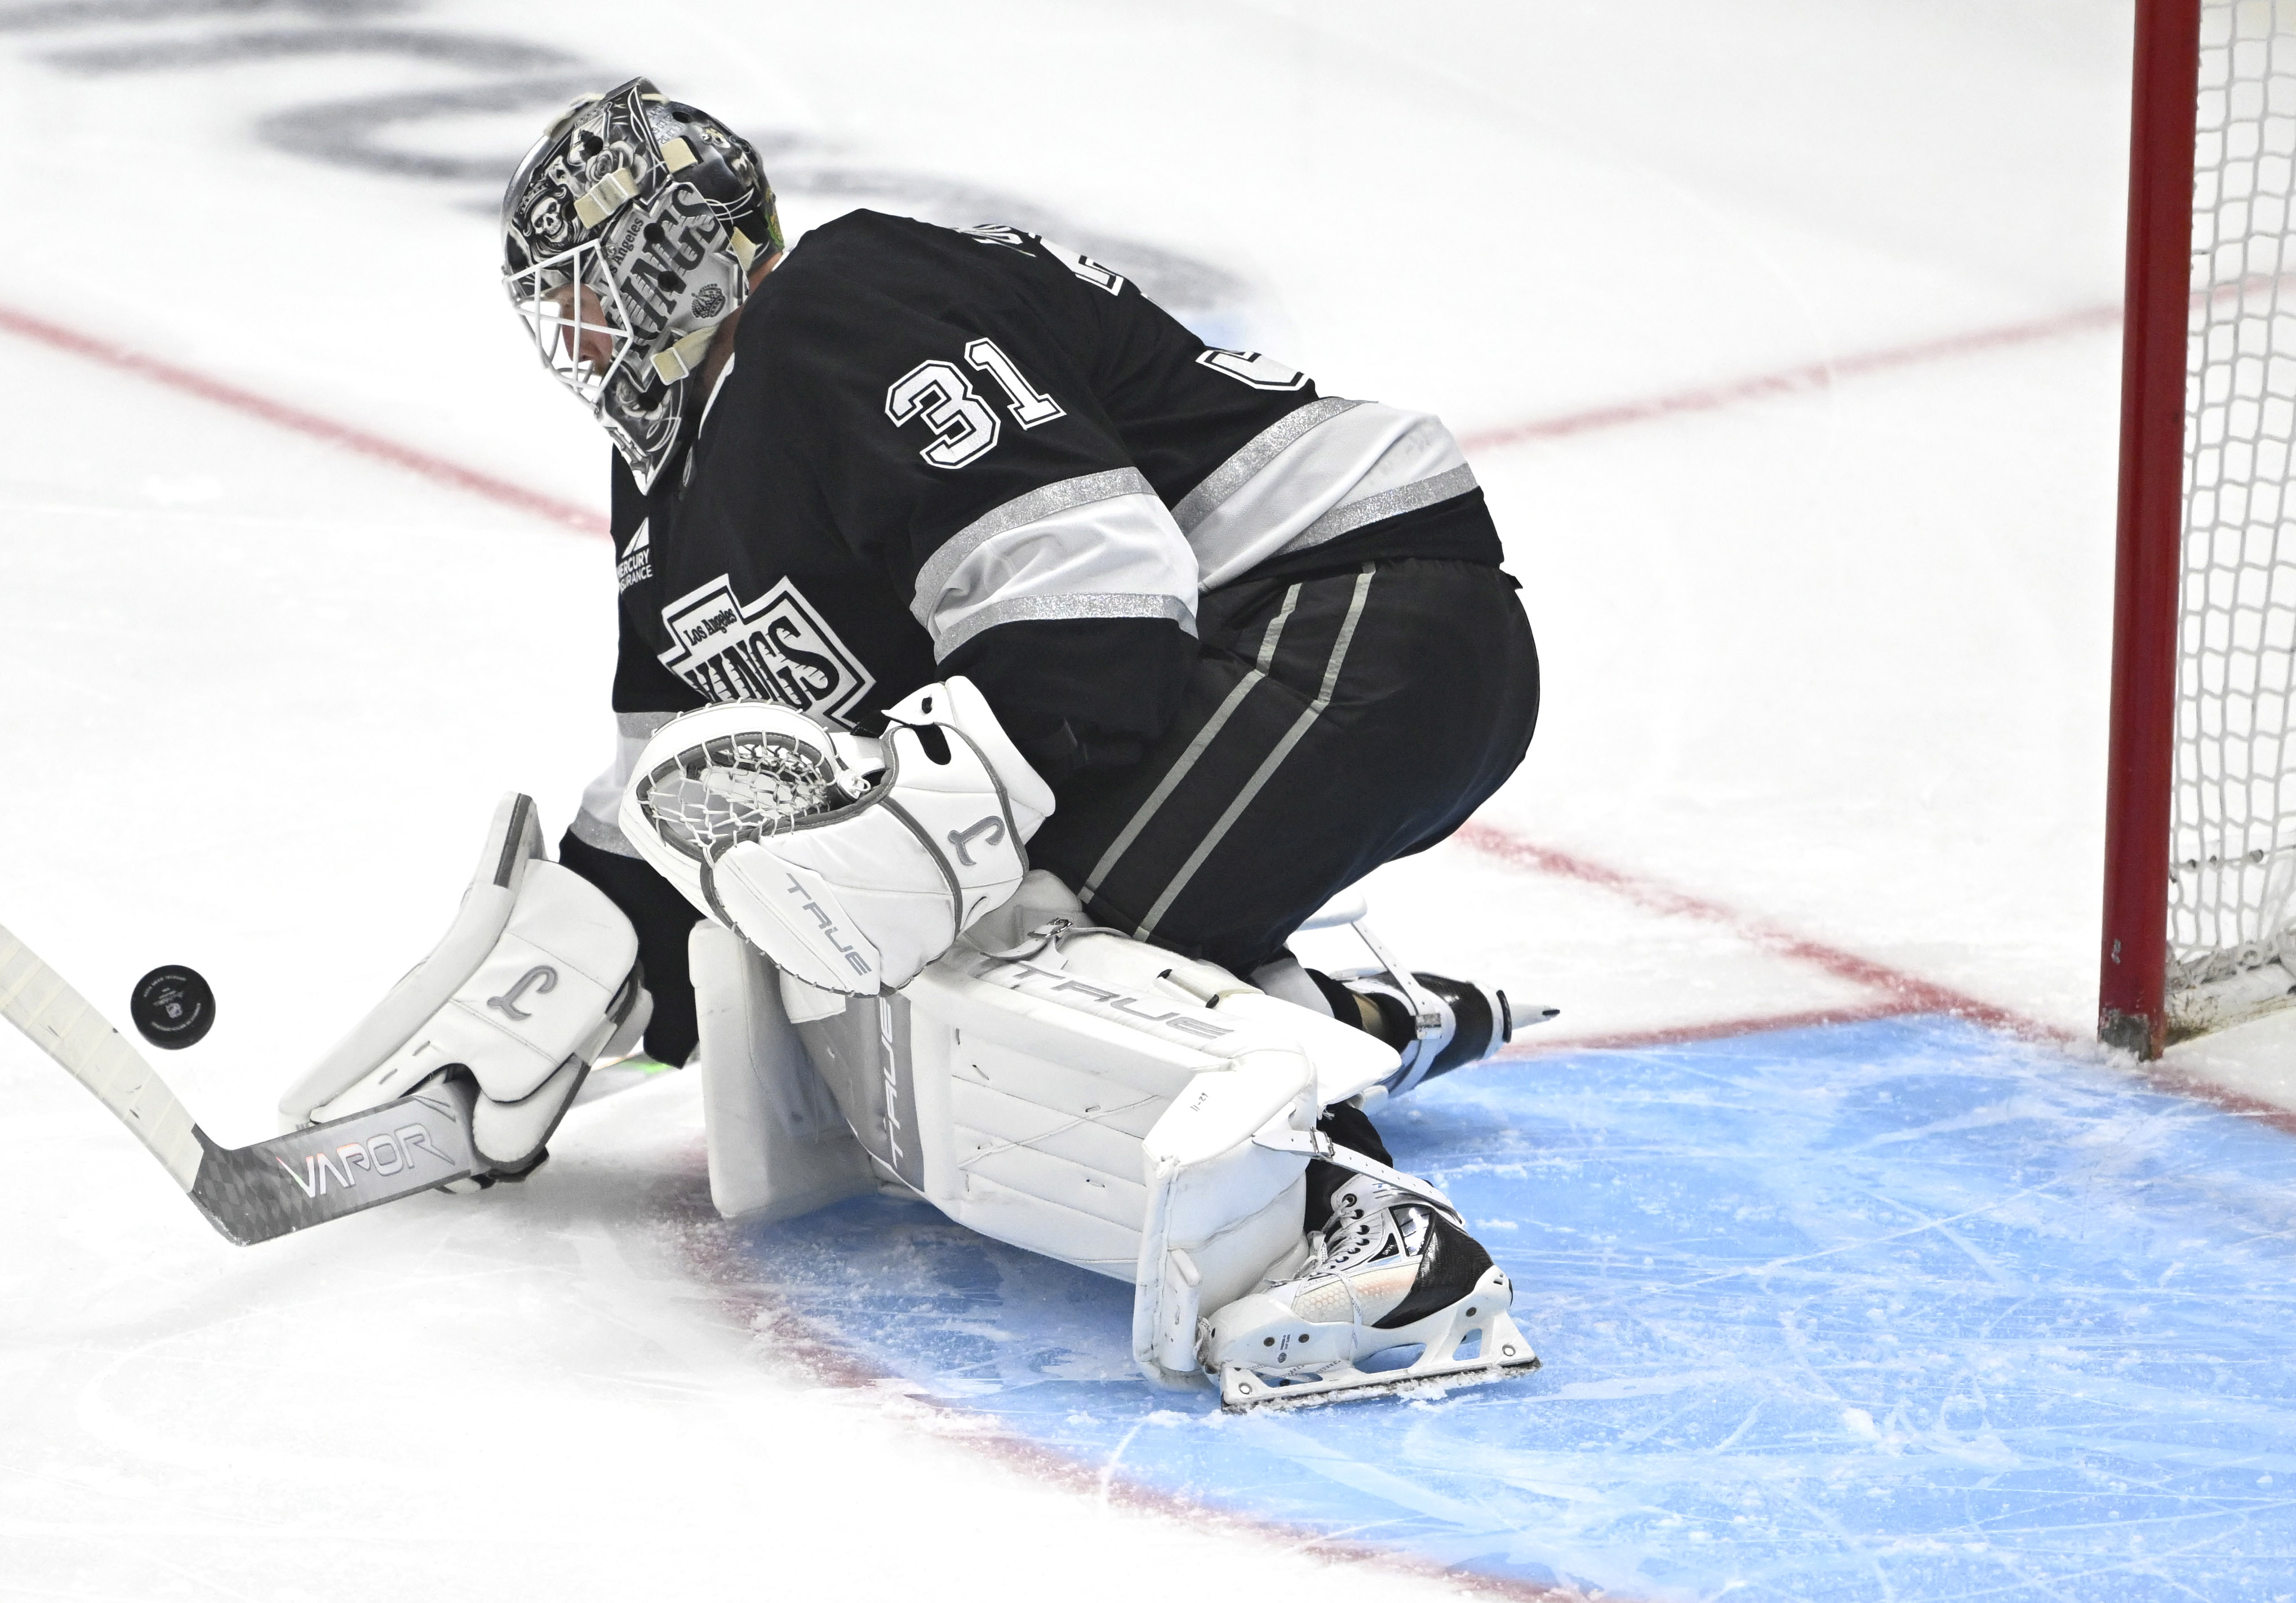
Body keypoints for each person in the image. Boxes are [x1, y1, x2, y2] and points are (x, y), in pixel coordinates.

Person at [298, 77, 1549, 1406]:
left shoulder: (839, 306)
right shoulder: (666, 479)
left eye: (587, 289)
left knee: (1021, 958)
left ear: (665, 251)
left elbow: (1094, 609)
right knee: (922, 964)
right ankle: (1334, 1018)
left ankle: (1369, 1232)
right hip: (1242, 662)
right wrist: (574, 976)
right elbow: (693, 780)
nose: (578, 332)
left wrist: (927, 816)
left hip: (1362, 611)